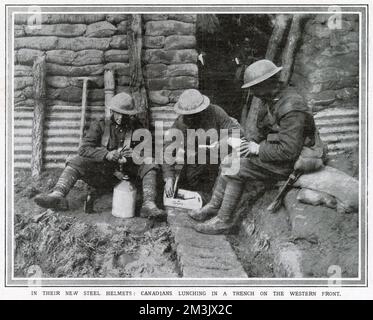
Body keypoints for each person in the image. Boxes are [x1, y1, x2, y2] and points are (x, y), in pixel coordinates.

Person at [190, 59, 318, 234]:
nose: (251, 92)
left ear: (265, 83)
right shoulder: (271, 100)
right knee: (229, 159)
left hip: (292, 161)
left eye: (253, 87)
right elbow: (262, 131)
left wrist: (257, 149)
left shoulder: (292, 107)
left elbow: (289, 151)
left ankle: (223, 221)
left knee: (235, 167)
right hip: (274, 152)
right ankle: (214, 206)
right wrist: (243, 145)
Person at [34, 92, 164, 218]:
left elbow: (147, 152)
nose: (121, 117)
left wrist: (133, 155)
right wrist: (106, 154)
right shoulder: (100, 124)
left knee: (150, 162)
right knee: (77, 160)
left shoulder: (137, 127)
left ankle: (148, 205)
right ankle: (57, 195)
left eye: (125, 114)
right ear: (112, 111)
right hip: (103, 174)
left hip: (128, 178)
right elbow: (84, 149)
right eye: (118, 113)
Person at [162, 89, 245, 204]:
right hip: (199, 159)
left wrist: (222, 143)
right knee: (186, 187)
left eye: (194, 114)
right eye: (188, 115)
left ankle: (214, 200)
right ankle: (203, 197)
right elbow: (168, 150)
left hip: (221, 155)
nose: (190, 118)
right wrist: (169, 177)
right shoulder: (180, 123)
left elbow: (235, 132)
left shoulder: (216, 112)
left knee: (222, 176)